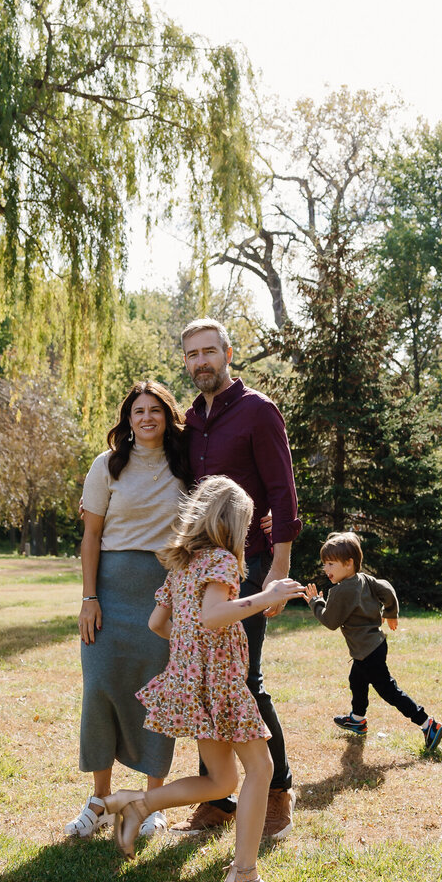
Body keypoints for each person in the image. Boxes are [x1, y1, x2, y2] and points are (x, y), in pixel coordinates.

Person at [102, 475, 306, 882]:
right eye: (247, 525)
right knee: (261, 771)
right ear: (232, 522)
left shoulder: (182, 564)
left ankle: (138, 803)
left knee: (220, 780)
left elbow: (158, 624)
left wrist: (189, 646)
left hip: (195, 682)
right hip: (220, 683)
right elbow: (214, 616)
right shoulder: (222, 562)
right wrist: (268, 595)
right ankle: (244, 876)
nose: (247, 534)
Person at [178, 318, 300, 839]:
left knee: (245, 680)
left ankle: (278, 790)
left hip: (248, 569)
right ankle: (219, 797)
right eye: (192, 355)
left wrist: (279, 568)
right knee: (207, 682)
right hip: (201, 571)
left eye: (210, 351)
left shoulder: (259, 411)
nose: (202, 361)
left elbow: (283, 491)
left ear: (229, 353)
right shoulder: (191, 422)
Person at [68, 382, 193, 839]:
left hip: (164, 594)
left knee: (158, 694)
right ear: (128, 419)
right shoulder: (106, 466)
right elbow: (91, 538)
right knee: (100, 688)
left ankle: (152, 803)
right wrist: (88, 597)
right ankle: (100, 801)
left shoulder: (186, 468)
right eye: (139, 410)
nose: (147, 418)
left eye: (156, 410)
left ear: (168, 416)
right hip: (109, 594)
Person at [304, 530, 442, 753]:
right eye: (325, 564)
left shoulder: (340, 591)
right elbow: (387, 589)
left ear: (349, 563)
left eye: (331, 564)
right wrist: (391, 612)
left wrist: (315, 602)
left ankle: (428, 724)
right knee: (357, 679)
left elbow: (330, 621)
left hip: (367, 651)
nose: (326, 569)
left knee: (389, 691)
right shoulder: (364, 579)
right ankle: (357, 719)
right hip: (375, 645)